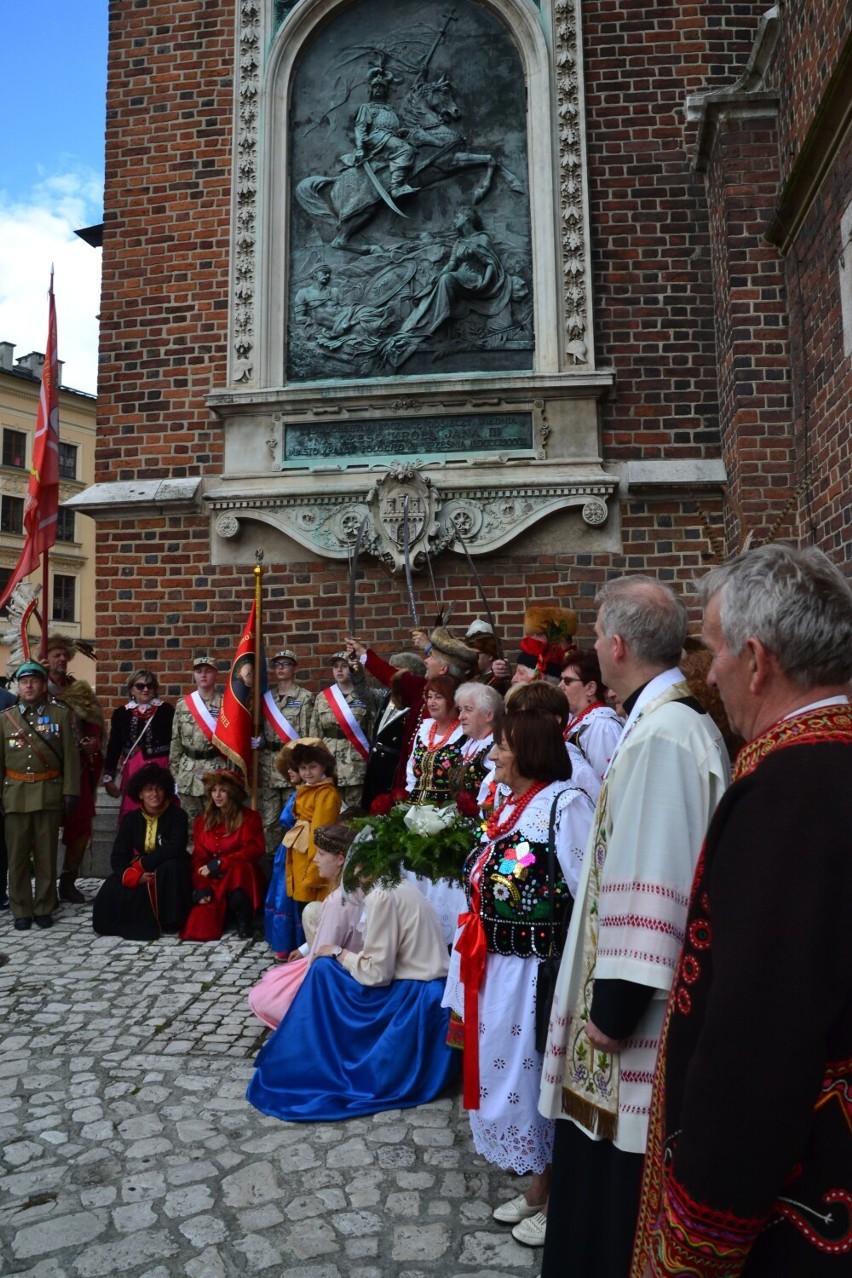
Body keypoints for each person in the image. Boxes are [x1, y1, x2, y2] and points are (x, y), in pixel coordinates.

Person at [632, 544, 852, 1278]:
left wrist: (700, 1233)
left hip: (802, 1195)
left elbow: (761, 1028)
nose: (710, 671)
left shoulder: (792, 790)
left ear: (756, 661)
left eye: (715, 651)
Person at [538, 576, 730, 1278]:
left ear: (616, 645)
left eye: (595, 636)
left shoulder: (665, 736)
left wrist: (613, 1005)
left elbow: (657, 870)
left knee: (613, 1206)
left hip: (629, 1031)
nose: (592, 646)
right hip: (625, 1015)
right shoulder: (665, 723)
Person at [444, 710, 596, 1249]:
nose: (493, 753)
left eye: (503, 745)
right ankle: (539, 1185)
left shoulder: (565, 805)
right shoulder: (512, 807)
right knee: (507, 1079)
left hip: (536, 970)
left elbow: (587, 893)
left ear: (528, 750)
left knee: (534, 1081)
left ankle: (556, 1192)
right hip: (498, 966)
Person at [246, 869, 457, 1121]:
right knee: (324, 972)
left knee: (323, 972)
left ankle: (313, 1058)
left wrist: (338, 952)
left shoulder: (381, 896)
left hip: (414, 995)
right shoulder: (395, 885)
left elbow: (376, 973)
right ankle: (307, 1054)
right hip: (418, 987)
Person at [249, 822, 365, 1029]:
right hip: (356, 965)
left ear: (340, 859)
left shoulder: (339, 900)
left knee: (270, 996)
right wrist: (305, 949)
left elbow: (322, 952)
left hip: (343, 978)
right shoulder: (360, 887)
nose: (314, 859)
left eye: (321, 854)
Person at [346, 626, 478, 792]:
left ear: (443, 669)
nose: (426, 661)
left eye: (431, 656)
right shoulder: (422, 688)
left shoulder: (466, 700)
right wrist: (362, 654)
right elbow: (391, 675)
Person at [0, 659, 80, 930]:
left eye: (34, 680)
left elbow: (71, 757)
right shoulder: (4, 719)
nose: (29, 685)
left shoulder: (59, 715)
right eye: (24, 682)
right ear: (18, 686)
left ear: (43, 684)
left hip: (49, 793)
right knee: (17, 856)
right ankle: (21, 908)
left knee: (47, 855)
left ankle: (45, 905)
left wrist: (71, 792)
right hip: (16, 794)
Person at [92, 764, 191, 940]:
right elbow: (118, 855)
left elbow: (175, 847)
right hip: (142, 865)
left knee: (171, 869)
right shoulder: (131, 820)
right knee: (112, 886)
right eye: (149, 790)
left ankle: (170, 920)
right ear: (140, 794)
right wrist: (133, 875)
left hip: (171, 863)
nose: (154, 794)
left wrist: (143, 865)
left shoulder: (178, 816)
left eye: (159, 789)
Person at [181, 769, 266, 941]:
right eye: (214, 790)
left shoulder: (250, 818)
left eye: (223, 790)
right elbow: (199, 857)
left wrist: (222, 862)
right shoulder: (202, 822)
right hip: (214, 878)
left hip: (241, 878)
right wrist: (201, 887)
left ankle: (244, 920)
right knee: (198, 928)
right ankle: (224, 915)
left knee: (239, 869)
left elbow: (253, 850)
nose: (217, 795)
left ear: (232, 793)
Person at [258, 648, 314, 857]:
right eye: (277, 665)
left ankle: (295, 863)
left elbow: (311, 735)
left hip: (294, 766)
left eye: (286, 664)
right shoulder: (266, 699)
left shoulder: (306, 697)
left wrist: (304, 767)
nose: (280, 668)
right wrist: (259, 741)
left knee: (295, 819)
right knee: (270, 822)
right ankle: (273, 865)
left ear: (294, 668)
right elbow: (262, 731)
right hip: (269, 767)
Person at [279, 739, 342, 920]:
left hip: (313, 860)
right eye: (303, 768)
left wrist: (314, 875)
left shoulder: (325, 793)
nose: (307, 773)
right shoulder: (307, 789)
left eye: (312, 767)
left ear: (324, 767)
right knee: (303, 910)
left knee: (314, 912)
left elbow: (320, 834)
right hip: (301, 853)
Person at [55, 679, 105, 904]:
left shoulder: (79, 690)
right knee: (39, 829)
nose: (61, 659)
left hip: (78, 773)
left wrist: (93, 745)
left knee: (81, 827)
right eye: (56, 654)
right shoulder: (39, 689)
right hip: (48, 776)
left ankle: (68, 881)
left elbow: (95, 730)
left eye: (64, 655)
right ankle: (42, 887)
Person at [102, 669, 174, 821]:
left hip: (161, 766)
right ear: (131, 689)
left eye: (150, 685)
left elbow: (175, 742)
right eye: (140, 686)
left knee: (161, 806)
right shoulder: (122, 713)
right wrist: (108, 776)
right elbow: (114, 746)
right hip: (133, 768)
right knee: (134, 811)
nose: (146, 689)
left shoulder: (166, 711)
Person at [309, 652, 380, 807]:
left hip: (356, 764)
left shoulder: (365, 696)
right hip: (330, 763)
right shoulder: (323, 697)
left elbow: (372, 731)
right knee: (330, 813)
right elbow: (315, 733)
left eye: (344, 666)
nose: (339, 670)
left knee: (356, 815)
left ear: (353, 668)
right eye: (335, 667)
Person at [360, 651, 426, 811]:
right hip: (376, 761)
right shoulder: (386, 695)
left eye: (398, 671)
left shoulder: (414, 702)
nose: (393, 676)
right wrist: (356, 673)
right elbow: (364, 694)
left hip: (393, 764)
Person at [169, 656, 225, 828]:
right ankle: (193, 855)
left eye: (208, 671)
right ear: (194, 675)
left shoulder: (225, 704)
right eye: (199, 671)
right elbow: (176, 741)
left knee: (216, 822)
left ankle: (215, 855)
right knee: (190, 826)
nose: (203, 675)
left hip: (215, 770)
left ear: (216, 674)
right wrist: (176, 774)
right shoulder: (183, 705)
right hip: (188, 773)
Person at [559, 648, 623, 781]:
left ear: (590, 688)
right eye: (561, 679)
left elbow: (607, 784)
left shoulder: (603, 726)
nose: (560, 686)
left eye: (567, 681)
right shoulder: (577, 720)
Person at [405, 675, 463, 804]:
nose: (431, 703)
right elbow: (411, 771)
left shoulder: (464, 733)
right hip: (415, 807)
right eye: (430, 697)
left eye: (438, 697)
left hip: (446, 810)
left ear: (454, 701)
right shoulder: (424, 729)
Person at [453, 681, 504, 799]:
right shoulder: (468, 743)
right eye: (460, 709)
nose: (461, 716)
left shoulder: (496, 747)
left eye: (468, 709)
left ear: (489, 715)